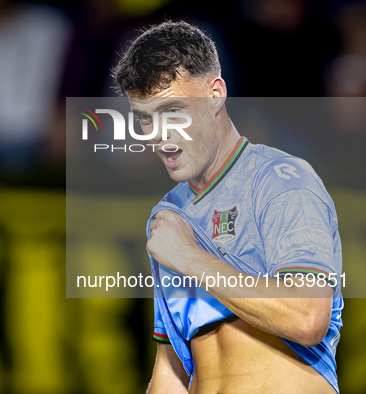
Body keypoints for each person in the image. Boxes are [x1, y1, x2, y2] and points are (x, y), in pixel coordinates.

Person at [113, 21, 342, 393]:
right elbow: (172, 368)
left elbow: (307, 317)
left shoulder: (282, 181)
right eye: (145, 118)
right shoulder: (168, 217)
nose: (157, 134)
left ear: (216, 93)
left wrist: (188, 257)